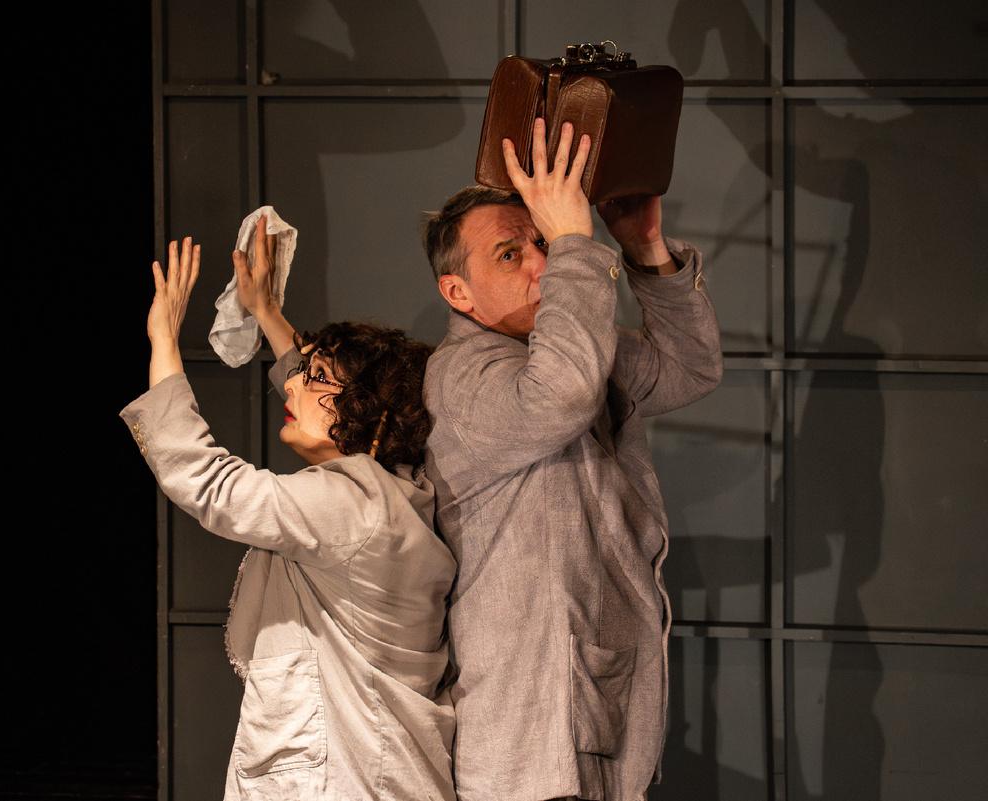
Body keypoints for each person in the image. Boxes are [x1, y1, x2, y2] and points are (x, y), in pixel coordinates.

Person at [420, 119, 724, 801]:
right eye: (510, 254)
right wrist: (574, 245)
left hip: (587, 716)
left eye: (540, 242)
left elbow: (689, 368)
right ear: (458, 293)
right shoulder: (462, 375)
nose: (541, 264)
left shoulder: (565, 346)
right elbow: (560, 397)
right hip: (528, 744)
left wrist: (643, 246)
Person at [121, 219, 456, 800]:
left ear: (368, 409)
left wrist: (163, 340)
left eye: (316, 376)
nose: (294, 385)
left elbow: (209, 483)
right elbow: (321, 401)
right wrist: (266, 311)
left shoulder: (351, 504)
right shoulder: (398, 492)